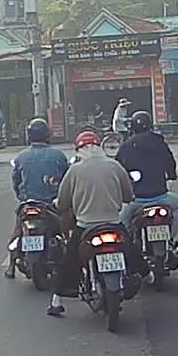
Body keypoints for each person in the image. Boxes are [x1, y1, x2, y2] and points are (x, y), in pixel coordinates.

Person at [51, 130, 137, 318]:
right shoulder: (115, 166)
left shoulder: (74, 170)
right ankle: (149, 275)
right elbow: (128, 196)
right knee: (132, 251)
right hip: (114, 223)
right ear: (99, 147)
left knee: (70, 260)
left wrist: (62, 205)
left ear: (79, 150)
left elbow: (63, 202)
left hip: (85, 226)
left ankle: (56, 300)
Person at [116, 111, 178, 269]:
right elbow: (170, 163)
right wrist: (172, 175)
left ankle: (129, 249)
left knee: (122, 223)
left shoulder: (126, 146)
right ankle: (170, 239)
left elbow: (119, 169)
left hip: (136, 200)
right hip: (161, 196)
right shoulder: (159, 142)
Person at [6, 119, 71, 279]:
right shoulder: (58, 156)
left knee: (18, 231)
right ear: (47, 135)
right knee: (65, 232)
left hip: (28, 204)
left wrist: (22, 198)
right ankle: (69, 263)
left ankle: (11, 266)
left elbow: (16, 182)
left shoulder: (21, 157)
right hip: (51, 205)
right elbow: (67, 181)